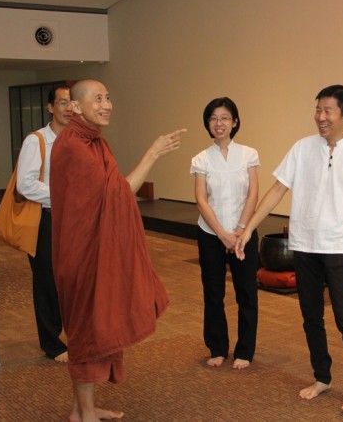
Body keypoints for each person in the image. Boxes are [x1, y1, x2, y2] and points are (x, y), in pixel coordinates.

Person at [235, 84, 343, 413]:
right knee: (310, 316)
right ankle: (322, 376)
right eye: (318, 109)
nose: (320, 117)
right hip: (304, 244)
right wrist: (246, 229)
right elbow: (276, 190)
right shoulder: (302, 148)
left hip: (339, 246)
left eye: (328, 111)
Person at [50, 79, 186, 422]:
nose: (107, 104)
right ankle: (82, 413)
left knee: (98, 326)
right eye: (98, 98)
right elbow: (120, 194)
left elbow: (110, 193)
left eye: (108, 97)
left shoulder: (93, 140)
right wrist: (153, 153)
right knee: (86, 331)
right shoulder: (74, 146)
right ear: (76, 107)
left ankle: (86, 407)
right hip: (81, 256)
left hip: (94, 249)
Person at [191, 97, 260, 370]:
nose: (219, 123)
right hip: (211, 233)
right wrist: (222, 234)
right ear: (208, 124)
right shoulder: (200, 158)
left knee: (246, 293)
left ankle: (245, 350)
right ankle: (218, 347)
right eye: (213, 118)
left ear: (235, 122)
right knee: (213, 293)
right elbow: (201, 199)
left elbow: (253, 193)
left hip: (244, 232)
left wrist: (240, 230)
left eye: (224, 118)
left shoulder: (249, 154)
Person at [16, 85, 71, 363]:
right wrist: (63, 197)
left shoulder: (79, 140)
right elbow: (25, 184)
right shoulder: (36, 140)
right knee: (47, 281)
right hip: (46, 219)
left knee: (71, 278)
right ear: (51, 107)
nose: (67, 108)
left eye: (71, 103)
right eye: (62, 103)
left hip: (74, 220)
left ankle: (71, 333)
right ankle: (52, 342)